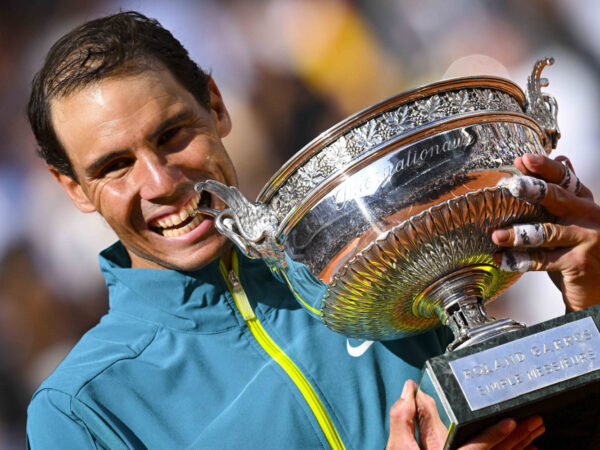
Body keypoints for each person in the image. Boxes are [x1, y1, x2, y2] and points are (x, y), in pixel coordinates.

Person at [25, 11, 600, 450]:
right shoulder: (83, 408)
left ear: (216, 106)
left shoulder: (379, 255)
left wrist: (589, 309)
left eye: (174, 134)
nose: (161, 182)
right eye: (114, 166)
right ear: (72, 186)